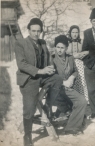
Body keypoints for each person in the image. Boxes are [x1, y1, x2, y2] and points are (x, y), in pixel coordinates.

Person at [15, 18, 63, 146]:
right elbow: (22, 64)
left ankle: (47, 106)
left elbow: (48, 59)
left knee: (57, 79)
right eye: (33, 31)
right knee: (29, 108)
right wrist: (40, 71)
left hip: (42, 77)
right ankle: (27, 136)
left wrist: (51, 67)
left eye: (38, 31)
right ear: (29, 30)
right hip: (28, 78)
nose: (36, 33)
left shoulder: (42, 42)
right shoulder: (21, 43)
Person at [53, 35, 87, 135]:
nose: (59, 50)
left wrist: (71, 77)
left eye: (62, 48)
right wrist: (63, 82)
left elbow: (75, 71)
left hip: (69, 89)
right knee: (67, 105)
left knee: (82, 101)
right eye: (58, 47)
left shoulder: (70, 58)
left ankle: (72, 127)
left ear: (66, 48)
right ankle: (70, 115)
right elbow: (51, 76)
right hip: (57, 89)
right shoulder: (52, 60)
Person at [66, 25, 89, 102]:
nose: (75, 34)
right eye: (73, 32)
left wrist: (82, 54)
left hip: (80, 63)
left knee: (82, 81)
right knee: (71, 80)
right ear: (70, 33)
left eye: (76, 32)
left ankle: (84, 99)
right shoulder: (67, 42)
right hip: (69, 62)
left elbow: (88, 50)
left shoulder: (81, 41)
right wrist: (72, 56)